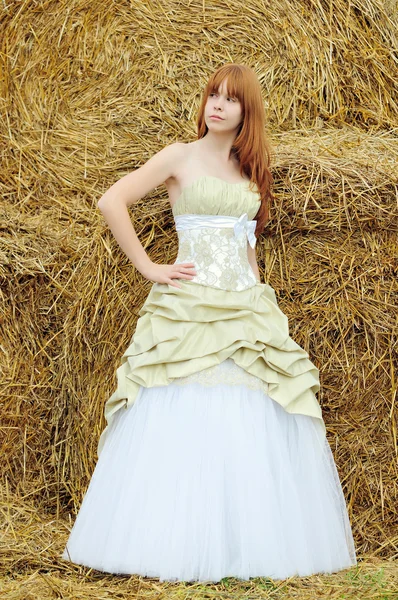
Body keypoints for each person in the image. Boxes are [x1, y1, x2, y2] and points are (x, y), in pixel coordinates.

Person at [61, 63, 357, 583]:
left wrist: (261, 306)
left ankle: (243, 545)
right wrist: (150, 267)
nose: (217, 104)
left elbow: (247, 252)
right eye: (212, 95)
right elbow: (113, 200)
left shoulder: (248, 175)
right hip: (190, 305)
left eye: (230, 99)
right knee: (181, 406)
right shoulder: (179, 156)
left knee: (253, 415)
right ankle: (171, 544)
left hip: (243, 305)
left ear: (247, 111)